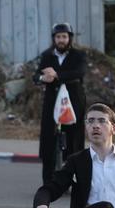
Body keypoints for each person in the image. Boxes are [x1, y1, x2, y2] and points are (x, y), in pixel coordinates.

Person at [34, 22, 87, 183]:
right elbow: (36, 76)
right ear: (54, 39)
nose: (61, 40)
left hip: (73, 101)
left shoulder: (78, 55)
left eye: (64, 36)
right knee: (49, 139)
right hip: (52, 101)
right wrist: (43, 78)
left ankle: (75, 180)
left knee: (74, 140)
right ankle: (49, 182)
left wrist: (56, 75)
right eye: (58, 37)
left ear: (69, 38)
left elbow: (79, 72)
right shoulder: (47, 55)